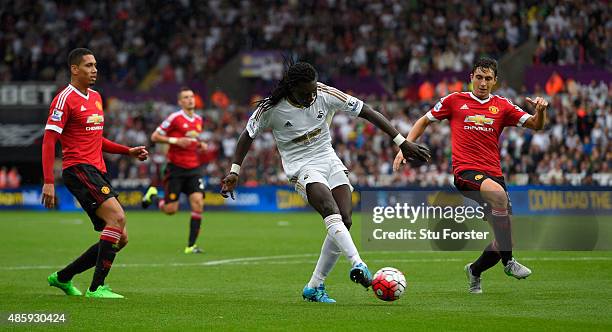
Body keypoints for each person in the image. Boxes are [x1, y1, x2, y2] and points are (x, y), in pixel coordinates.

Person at [220, 61, 430, 302]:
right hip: (301, 167)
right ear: (292, 87)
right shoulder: (272, 109)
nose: (312, 95)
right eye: (306, 92)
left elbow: (367, 111)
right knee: (331, 211)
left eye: (313, 90)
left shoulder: (324, 93)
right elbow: (247, 135)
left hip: (329, 160)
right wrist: (235, 171)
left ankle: (314, 286)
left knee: (346, 219)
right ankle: (358, 263)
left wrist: (401, 142)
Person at [393, 57, 549, 294]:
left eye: (488, 78)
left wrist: (541, 111)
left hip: (494, 174)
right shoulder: (455, 101)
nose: (483, 83)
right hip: (466, 172)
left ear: (495, 81)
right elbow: (424, 121)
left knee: (503, 241)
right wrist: (405, 146)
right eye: (479, 77)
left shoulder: (503, 105)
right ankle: (509, 263)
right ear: (471, 78)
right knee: (498, 198)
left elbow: (537, 125)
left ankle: (475, 271)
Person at [42, 48, 149, 299]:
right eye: (89, 65)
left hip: (97, 170)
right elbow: (49, 141)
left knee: (120, 238)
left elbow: (96, 138)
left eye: (96, 65)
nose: (94, 70)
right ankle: (96, 288)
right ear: (74, 69)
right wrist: (48, 181)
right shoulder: (64, 99)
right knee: (118, 218)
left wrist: (128, 151)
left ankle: (63, 277)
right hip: (78, 169)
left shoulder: (97, 97)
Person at [141, 87, 208, 254]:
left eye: (191, 96)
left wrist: (200, 144)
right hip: (176, 169)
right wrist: (175, 141)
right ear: (180, 102)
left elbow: (192, 139)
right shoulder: (174, 118)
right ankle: (153, 196)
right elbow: (155, 137)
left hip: (194, 168)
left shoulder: (199, 119)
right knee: (171, 210)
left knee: (198, 203)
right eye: (185, 97)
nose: (190, 99)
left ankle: (190, 246)